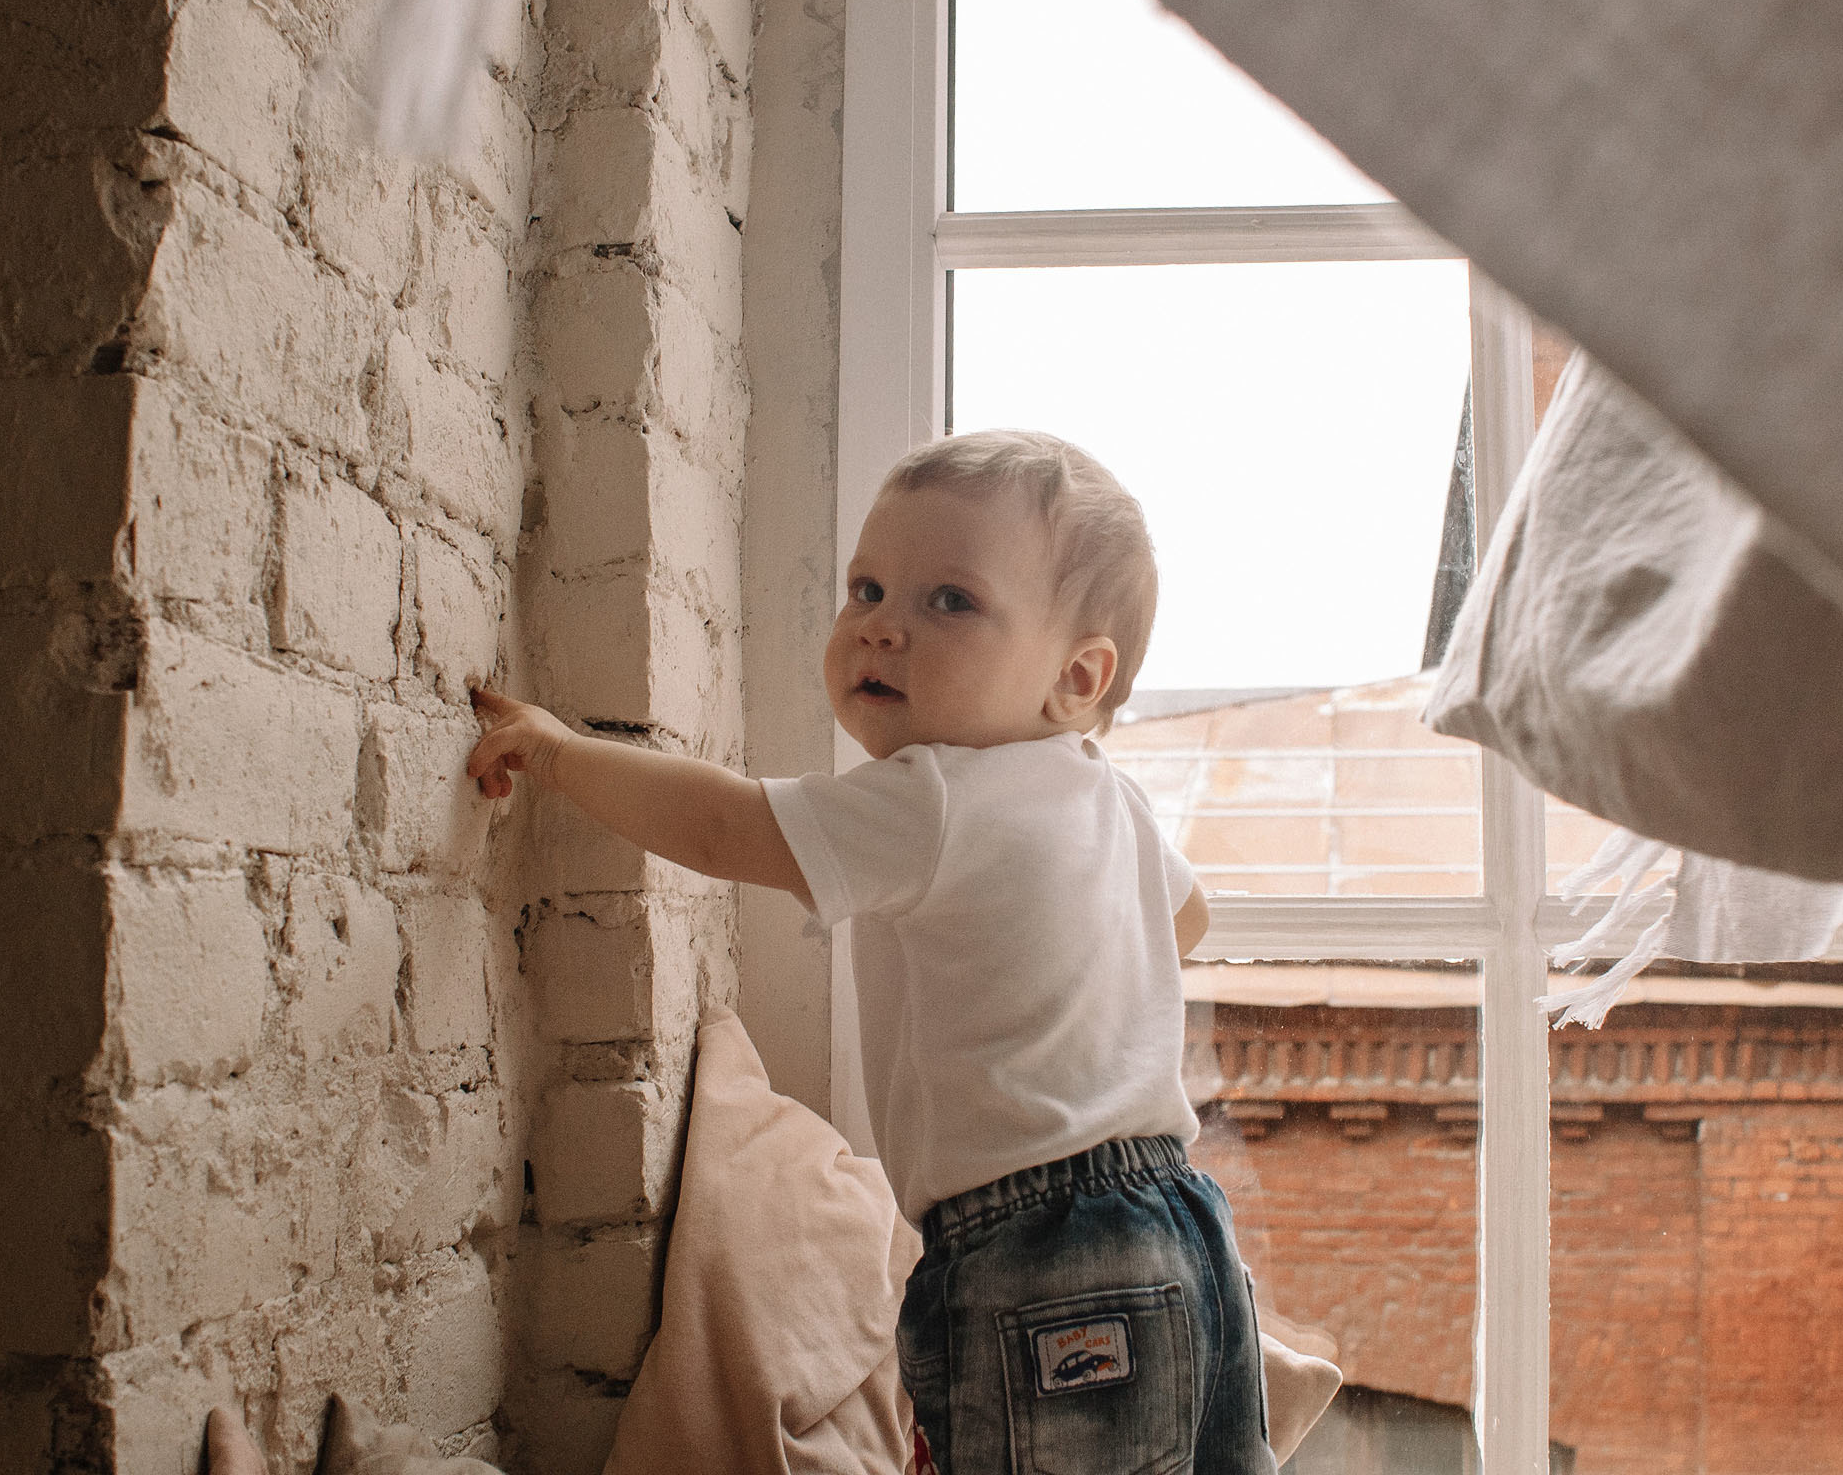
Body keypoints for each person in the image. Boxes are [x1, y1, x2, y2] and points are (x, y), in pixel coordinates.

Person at [468, 429, 1272, 1474]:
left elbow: (723, 829)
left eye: (949, 601)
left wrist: (563, 752)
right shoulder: (1109, 799)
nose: (882, 629)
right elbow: (1185, 921)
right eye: (868, 588)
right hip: (1188, 1226)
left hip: (1037, 1253)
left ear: (1078, 677)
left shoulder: (935, 797)